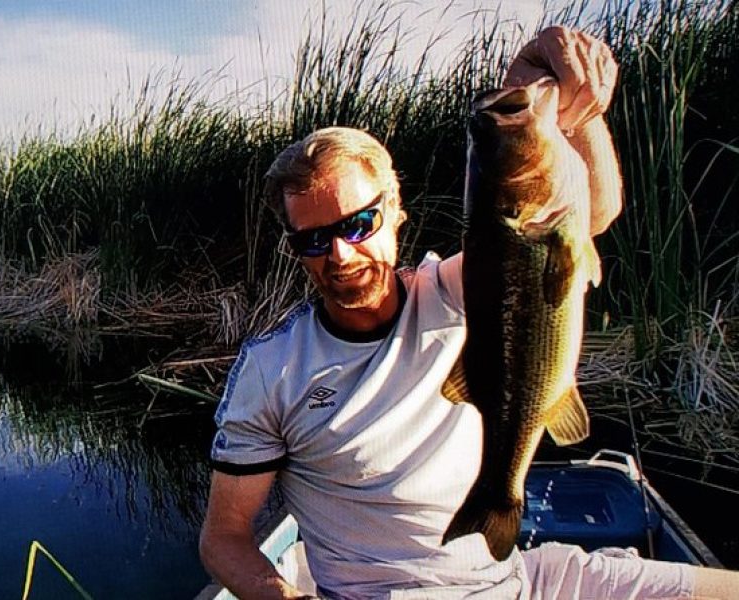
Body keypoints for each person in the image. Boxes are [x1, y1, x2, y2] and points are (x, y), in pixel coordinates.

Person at [200, 27, 738, 600]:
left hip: (518, 578)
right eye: (314, 240)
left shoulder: (457, 287)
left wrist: (571, 114)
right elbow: (223, 538)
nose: (340, 254)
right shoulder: (273, 370)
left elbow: (593, 213)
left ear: (397, 210)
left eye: (359, 225)